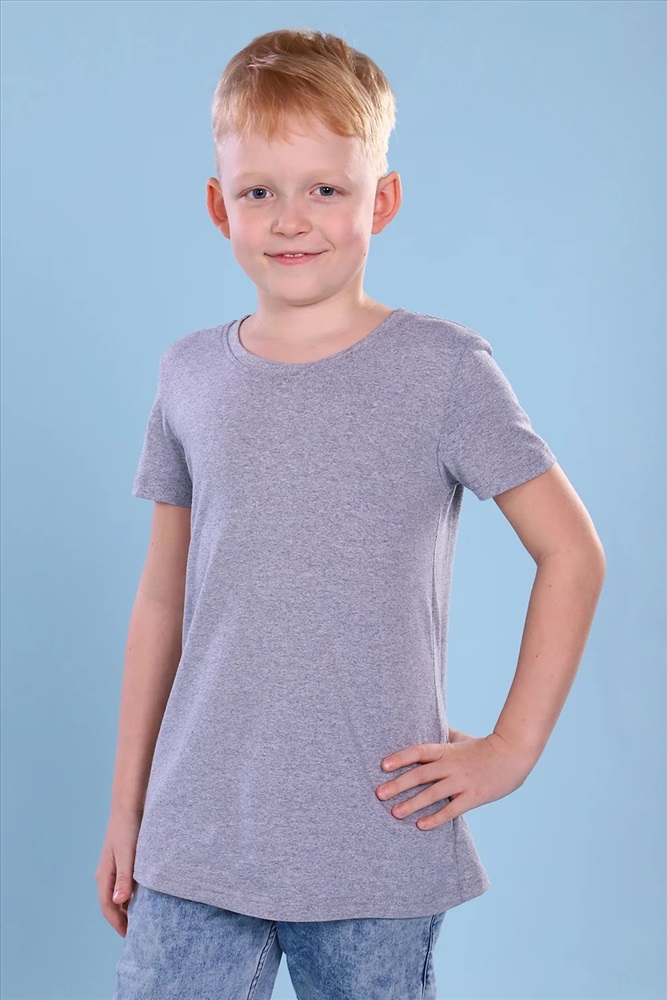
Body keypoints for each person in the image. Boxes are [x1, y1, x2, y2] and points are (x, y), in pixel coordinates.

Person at [96, 27, 606, 1000]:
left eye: (325, 188)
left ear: (382, 199)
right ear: (219, 206)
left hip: (375, 838)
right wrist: (127, 811)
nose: (291, 219)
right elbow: (161, 603)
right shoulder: (188, 375)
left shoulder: (443, 369)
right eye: (259, 191)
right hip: (194, 838)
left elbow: (571, 555)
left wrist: (510, 749)